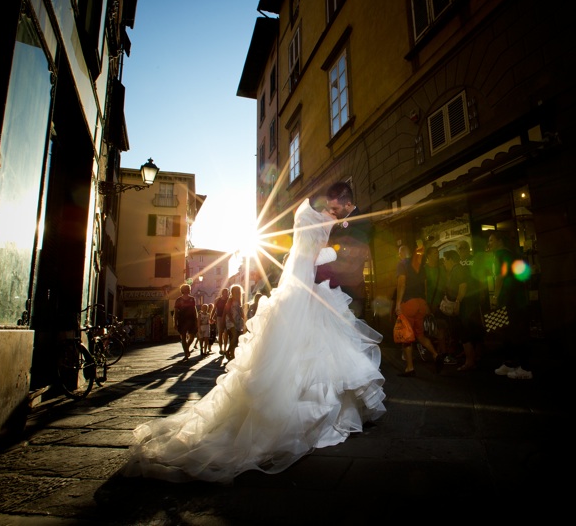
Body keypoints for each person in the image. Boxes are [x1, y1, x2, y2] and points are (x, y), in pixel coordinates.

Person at [123, 198, 386, 483]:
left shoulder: (306, 229)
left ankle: (329, 410)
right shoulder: (317, 231)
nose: (334, 216)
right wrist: (331, 255)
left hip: (308, 294)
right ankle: (314, 417)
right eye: (332, 211)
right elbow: (314, 261)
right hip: (311, 295)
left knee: (314, 353)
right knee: (317, 352)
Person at [314, 181, 371, 319]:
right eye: (330, 208)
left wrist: (326, 255)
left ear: (348, 205)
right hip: (336, 294)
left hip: (351, 295)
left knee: (352, 337)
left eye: (335, 208)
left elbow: (352, 258)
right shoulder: (339, 222)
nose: (332, 211)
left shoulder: (362, 222)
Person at [488, 231, 533, 379]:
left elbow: (500, 277)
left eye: (491, 240)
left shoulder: (500, 254)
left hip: (508, 300)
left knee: (511, 332)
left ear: (500, 241)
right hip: (516, 300)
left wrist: (495, 297)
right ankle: (509, 364)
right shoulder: (512, 254)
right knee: (508, 332)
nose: (489, 243)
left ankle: (524, 368)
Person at [395, 245, 442, 377]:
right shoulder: (421, 267)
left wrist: (398, 303)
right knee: (420, 335)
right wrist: (425, 303)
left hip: (408, 303)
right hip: (421, 303)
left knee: (406, 337)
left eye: (399, 253)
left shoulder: (402, 264)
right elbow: (425, 286)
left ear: (402, 254)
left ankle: (410, 368)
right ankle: (435, 354)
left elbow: (401, 283)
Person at [441, 249, 484, 371]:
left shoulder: (458, 269)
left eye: (445, 260)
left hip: (466, 307)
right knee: (471, 333)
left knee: (465, 333)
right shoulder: (459, 269)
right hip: (469, 306)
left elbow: (463, 286)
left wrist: (458, 302)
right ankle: (475, 358)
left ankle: (470, 362)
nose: (444, 263)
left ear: (450, 260)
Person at [423, 245, 456, 364]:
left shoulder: (441, 268)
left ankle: (442, 353)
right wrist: (426, 304)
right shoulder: (424, 269)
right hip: (430, 304)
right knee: (430, 329)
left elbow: (447, 284)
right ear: (428, 256)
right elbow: (424, 289)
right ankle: (436, 353)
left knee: (441, 329)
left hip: (442, 304)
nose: (437, 255)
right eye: (435, 253)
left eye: (437, 253)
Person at [173, 284, 198, 362]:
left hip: (191, 319)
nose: (188, 290)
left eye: (188, 288)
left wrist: (197, 319)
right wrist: (175, 322)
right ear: (183, 290)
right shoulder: (178, 300)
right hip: (182, 320)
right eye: (186, 288)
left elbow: (194, 310)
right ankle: (186, 353)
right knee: (183, 337)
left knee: (192, 336)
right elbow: (176, 312)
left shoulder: (192, 299)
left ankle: (186, 347)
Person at [223, 284, 246, 361]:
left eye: (238, 291)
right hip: (231, 320)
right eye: (235, 291)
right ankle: (228, 351)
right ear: (232, 292)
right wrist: (232, 320)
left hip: (238, 321)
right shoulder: (230, 299)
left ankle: (231, 354)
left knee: (235, 339)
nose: (237, 292)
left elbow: (240, 312)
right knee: (235, 336)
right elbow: (227, 311)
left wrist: (245, 319)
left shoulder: (239, 300)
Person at [213, 288, 229, 355]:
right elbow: (214, 309)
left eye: (227, 292)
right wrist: (211, 317)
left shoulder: (229, 300)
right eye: (224, 292)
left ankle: (225, 348)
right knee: (220, 333)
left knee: (226, 333)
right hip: (219, 317)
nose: (226, 293)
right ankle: (220, 349)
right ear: (222, 293)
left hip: (227, 318)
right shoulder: (218, 300)